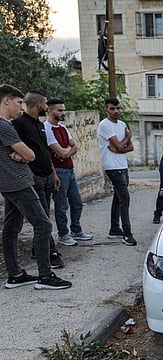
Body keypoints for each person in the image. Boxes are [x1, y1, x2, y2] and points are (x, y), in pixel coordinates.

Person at [0, 84, 71, 290]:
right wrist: (23, 156)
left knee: (11, 228)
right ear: (7, 100)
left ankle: (15, 275)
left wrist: (20, 155)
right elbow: (30, 155)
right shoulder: (4, 125)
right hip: (18, 181)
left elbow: (22, 154)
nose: (21, 108)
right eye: (18, 102)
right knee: (43, 224)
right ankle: (45, 276)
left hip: (11, 181)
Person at [12, 91, 64, 269]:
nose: (47, 106)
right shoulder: (18, 124)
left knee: (44, 214)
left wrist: (53, 173)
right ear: (38, 104)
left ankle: (37, 248)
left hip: (47, 176)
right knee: (43, 220)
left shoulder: (40, 125)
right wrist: (29, 172)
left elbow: (44, 150)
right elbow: (15, 152)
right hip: (33, 179)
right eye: (45, 103)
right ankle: (51, 253)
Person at [44, 98, 93, 246]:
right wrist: (65, 152)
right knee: (61, 204)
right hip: (58, 171)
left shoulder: (63, 128)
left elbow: (74, 147)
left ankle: (76, 230)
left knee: (77, 202)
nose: (63, 112)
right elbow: (59, 151)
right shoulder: (47, 128)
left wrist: (66, 152)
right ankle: (63, 234)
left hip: (69, 169)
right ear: (50, 110)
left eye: (63, 110)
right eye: (59, 110)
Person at [97, 97, 136, 246]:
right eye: (112, 108)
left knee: (118, 198)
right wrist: (127, 137)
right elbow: (120, 146)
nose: (116, 111)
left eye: (118, 108)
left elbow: (128, 148)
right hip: (112, 167)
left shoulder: (122, 124)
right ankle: (127, 234)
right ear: (106, 109)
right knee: (125, 198)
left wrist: (120, 147)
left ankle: (114, 228)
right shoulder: (105, 125)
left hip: (122, 165)